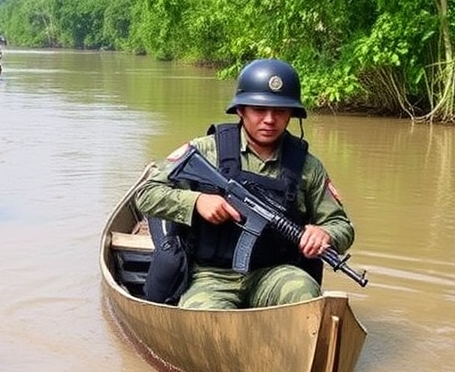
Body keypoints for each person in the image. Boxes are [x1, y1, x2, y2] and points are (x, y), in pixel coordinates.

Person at [134, 58, 354, 309]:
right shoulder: (205, 150)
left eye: (280, 111)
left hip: (275, 274)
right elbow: (146, 194)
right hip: (211, 276)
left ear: (291, 114)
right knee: (205, 313)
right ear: (241, 110)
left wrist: (324, 233)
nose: (270, 119)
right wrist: (196, 201)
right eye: (259, 110)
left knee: (305, 293)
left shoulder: (307, 167)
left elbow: (342, 225)